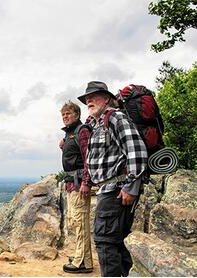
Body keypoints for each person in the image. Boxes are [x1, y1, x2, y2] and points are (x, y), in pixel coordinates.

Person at [77, 81, 148, 277]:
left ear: (107, 98)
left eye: (94, 96)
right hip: (107, 191)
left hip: (115, 191)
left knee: (105, 242)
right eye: (86, 99)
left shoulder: (115, 118)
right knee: (116, 241)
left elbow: (137, 151)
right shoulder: (98, 124)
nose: (89, 100)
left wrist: (131, 186)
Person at [59, 101, 93, 274]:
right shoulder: (71, 134)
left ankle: (84, 262)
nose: (65, 116)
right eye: (63, 114)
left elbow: (88, 158)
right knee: (76, 221)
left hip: (80, 183)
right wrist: (64, 145)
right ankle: (82, 256)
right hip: (72, 183)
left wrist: (87, 182)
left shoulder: (82, 130)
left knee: (80, 222)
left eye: (68, 113)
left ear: (77, 114)